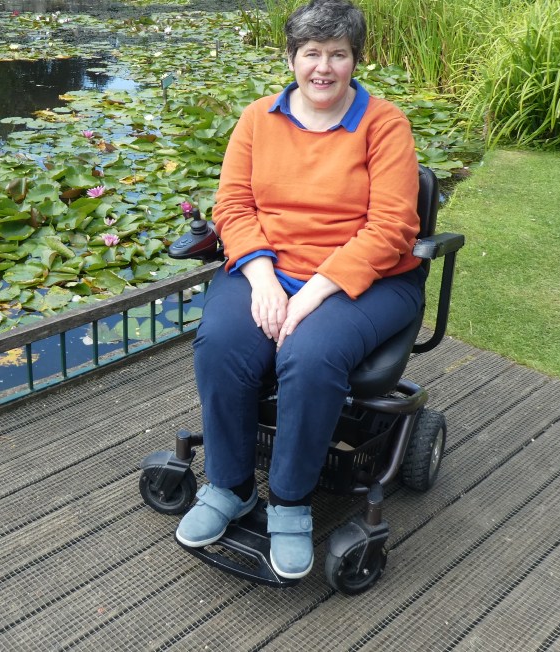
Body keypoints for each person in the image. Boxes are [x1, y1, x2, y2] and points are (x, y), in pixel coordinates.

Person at [174, 0, 426, 580]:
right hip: (270, 266)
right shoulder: (258, 119)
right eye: (311, 52)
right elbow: (233, 207)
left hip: (368, 279)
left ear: (354, 61)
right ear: (291, 58)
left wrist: (310, 294)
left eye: (338, 54)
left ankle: (289, 502)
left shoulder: (384, 124)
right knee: (222, 344)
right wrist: (262, 277)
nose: (323, 67)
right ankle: (233, 488)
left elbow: (393, 230)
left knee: (309, 354)